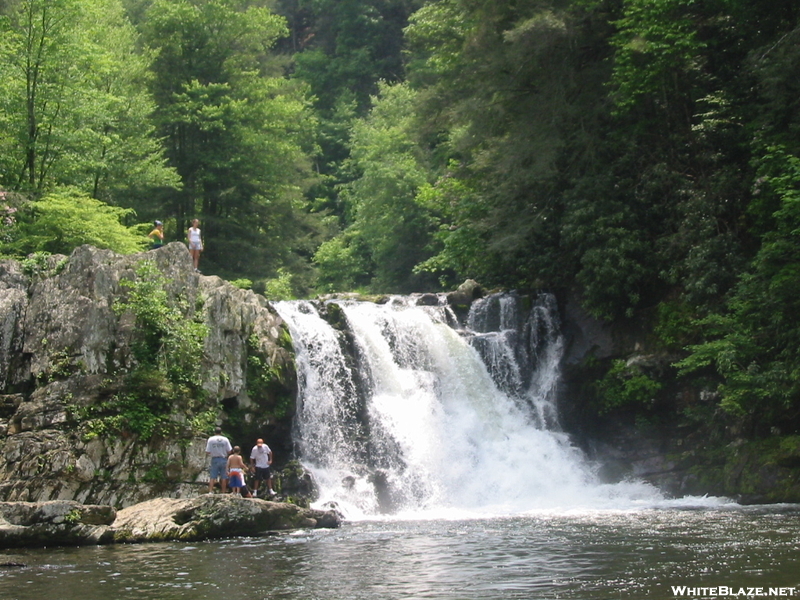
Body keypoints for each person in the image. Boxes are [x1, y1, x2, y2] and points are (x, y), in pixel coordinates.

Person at [205, 427, 232, 494]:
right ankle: (223, 492)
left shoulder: (211, 439)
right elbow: (229, 451)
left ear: (214, 432)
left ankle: (210, 491)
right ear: (221, 432)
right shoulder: (225, 439)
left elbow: (207, 451)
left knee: (213, 476)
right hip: (223, 459)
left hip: (215, 459)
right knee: (224, 477)